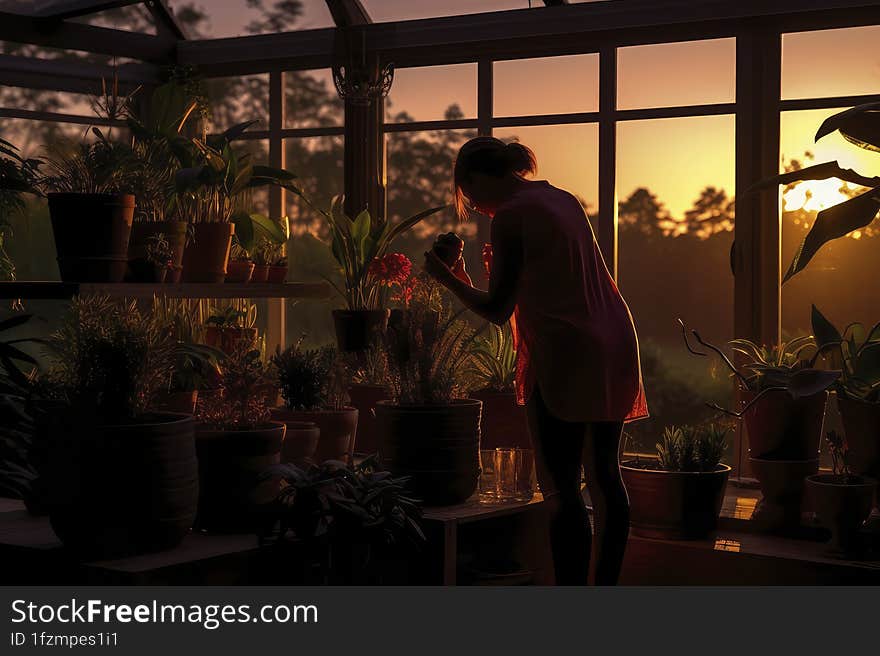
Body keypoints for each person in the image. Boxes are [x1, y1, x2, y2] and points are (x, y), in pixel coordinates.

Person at [423, 136, 648, 585]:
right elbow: (547, 278)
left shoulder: (511, 215)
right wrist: (470, 275)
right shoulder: (560, 199)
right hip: (614, 338)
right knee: (605, 475)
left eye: (467, 195)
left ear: (476, 179)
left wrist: (445, 278)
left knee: (561, 488)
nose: (475, 207)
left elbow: (497, 309)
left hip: (566, 349)